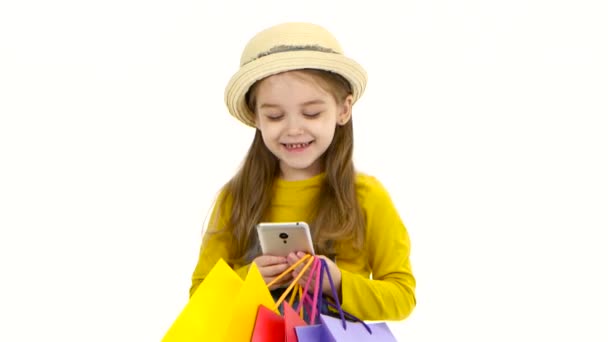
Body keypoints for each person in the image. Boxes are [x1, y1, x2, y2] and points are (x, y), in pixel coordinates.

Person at [190, 22, 416, 321]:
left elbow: (402, 297)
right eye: (275, 115)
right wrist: (249, 277)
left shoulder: (366, 196)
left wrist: (336, 282)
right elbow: (199, 298)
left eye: (312, 113)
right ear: (256, 117)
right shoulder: (236, 197)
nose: (293, 129)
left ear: (343, 110)